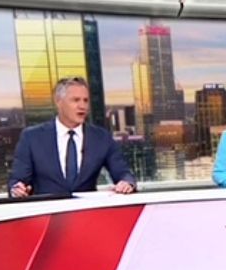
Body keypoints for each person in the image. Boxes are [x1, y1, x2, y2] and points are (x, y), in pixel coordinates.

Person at [8, 77, 136, 198]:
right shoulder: (32, 137)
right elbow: (17, 180)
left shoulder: (101, 138)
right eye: (76, 100)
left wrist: (126, 182)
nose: (82, 106)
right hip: (47, 212)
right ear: (58, 101)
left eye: (85, 100)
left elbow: (123, 173)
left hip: (86, 211)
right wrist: (18, 188)